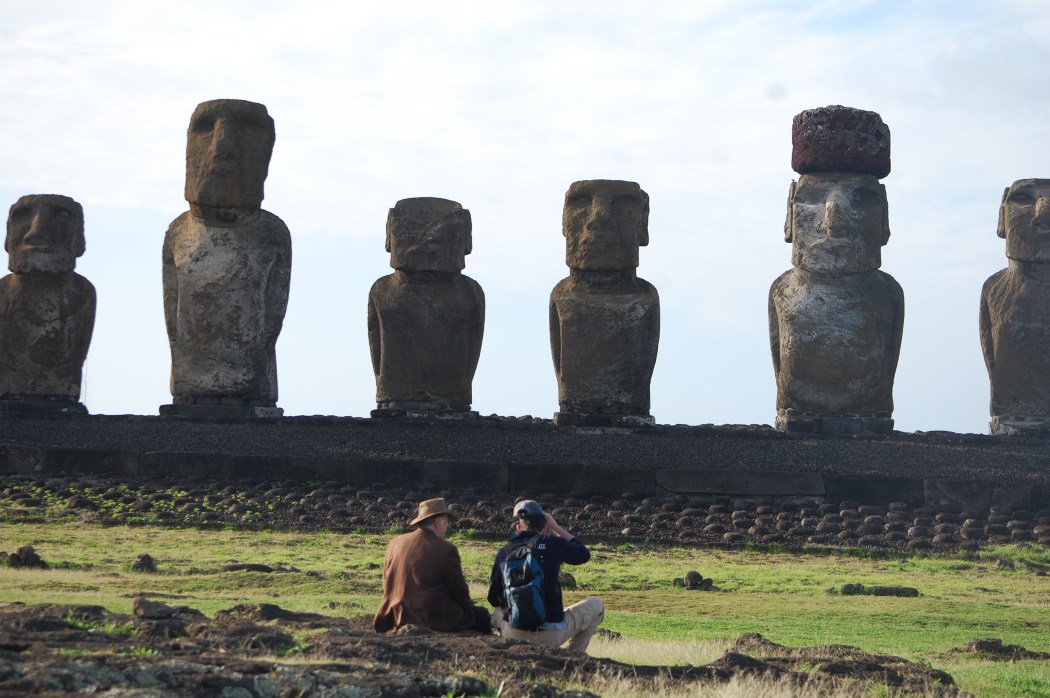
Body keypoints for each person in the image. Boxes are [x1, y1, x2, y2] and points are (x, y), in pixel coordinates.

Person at [488, 499, 604, 652]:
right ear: (544, 527)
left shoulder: (505, 551)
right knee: (597, 606)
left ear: (518, 527)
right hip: (552, 634)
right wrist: (556, 527)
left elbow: (493, 597)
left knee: (496, 612)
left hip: (514, 633)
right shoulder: (551, 542)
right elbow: (583, 554)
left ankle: (508, 649)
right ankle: (575, 657)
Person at [373, 497, 491, 634]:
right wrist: (468, 606)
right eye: (447, 522)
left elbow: (387, 582)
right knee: (482, 615)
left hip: (395, 615)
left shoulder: (395, 543)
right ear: (438, 523)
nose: (447, 526)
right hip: (432, 619)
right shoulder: (446, 549)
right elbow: (459, 591)